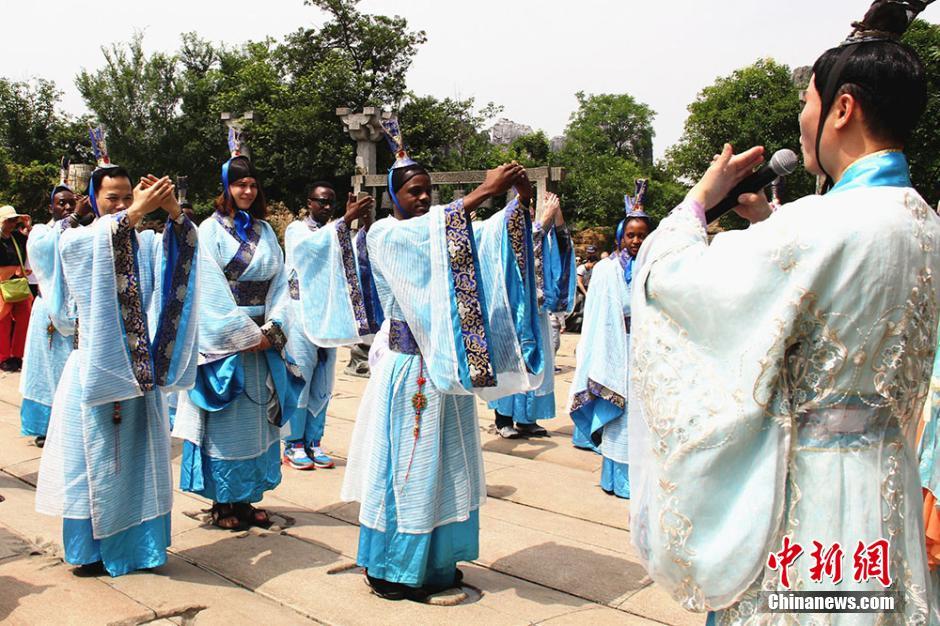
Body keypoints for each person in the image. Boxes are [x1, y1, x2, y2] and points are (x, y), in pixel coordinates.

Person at [628, 3, 938, 622]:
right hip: (889, 482)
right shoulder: (926, 225)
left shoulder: (819, 224)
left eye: (808, 103)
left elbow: (672, 284)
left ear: (843, 109)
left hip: (809, 495)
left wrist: (696, 204)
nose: (802, 121)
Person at [341, 119, 544, 600]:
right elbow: (434, 232)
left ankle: (435, 563)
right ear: (393, 196)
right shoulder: (386, 236)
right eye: (413, 191)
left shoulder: (439, 230)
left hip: (445, 368)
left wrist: (516, 202)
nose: (422, 198)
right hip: (410, 369)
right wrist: (483, 190)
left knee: (446, 464)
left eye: (428, 190)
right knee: (410, 467)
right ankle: (391, 569)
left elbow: (488, 240)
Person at [35, 128, 198, 577]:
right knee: (89, 461)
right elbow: (92, 247)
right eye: (112, 197)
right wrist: (136, 213)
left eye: (128, 195)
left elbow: (183, 252)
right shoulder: (76, 240)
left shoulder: (145, 242)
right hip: (93, 367)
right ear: (93, 200)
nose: (123, 203)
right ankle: (89, 552)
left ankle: (140, 549)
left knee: (140, 462)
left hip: (139, 371)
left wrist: (174, 215)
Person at [174, 133, 291, 530]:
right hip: (228, 342)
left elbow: (281, 283)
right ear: (225, 187)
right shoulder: (208, 230)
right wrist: (244, 334)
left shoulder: (267, 230)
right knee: (228, 423)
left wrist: (274, 328)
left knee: (257, 422)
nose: (246, 189)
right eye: (239, 183)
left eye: (252, 184)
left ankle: (245, 497)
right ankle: (223, 502)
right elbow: (208, 289)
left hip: (264, 338)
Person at [281, 181, 377, 470]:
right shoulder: (296, 230)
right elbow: (310, 249)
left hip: (328, 316)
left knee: (323, 381)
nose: (325, 207)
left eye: (330, 203)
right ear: (309, 202)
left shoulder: (338, 232)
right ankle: (293, 443)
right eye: (320, 201)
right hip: (300, 317)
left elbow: (360, 255)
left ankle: (314, 440)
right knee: (300, 378)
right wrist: (344, 220)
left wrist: (364, 222)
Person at [569, 181, 653, 487]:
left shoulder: (658, 266)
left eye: (642, 235)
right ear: (621, 236)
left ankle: (641, 481)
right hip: (616, 349)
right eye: (630, 235)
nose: (635, 240)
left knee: (644, 415)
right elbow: (597, 318)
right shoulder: (606, 270)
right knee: (620, 416)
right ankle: (616, 480)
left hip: (647, 351)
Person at [489, 191, 575, 439]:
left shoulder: (541, 231)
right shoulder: (504, 234)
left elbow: (563, 247)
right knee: (511, 364)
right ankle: (503, 418)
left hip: (537, 312)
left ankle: (527, 419)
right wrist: (544, 223)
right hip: (512, 311)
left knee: (538, 366)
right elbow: (522, 250)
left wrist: (557, 218)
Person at [19, 174, 79, 447]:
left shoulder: (81, 232)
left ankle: (69, 423)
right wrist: (74, 219)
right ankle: (44, 425)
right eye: (61, 204)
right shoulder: (42, 231)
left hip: (75, 313)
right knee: (46, 369)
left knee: (70, 368)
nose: (66, 208)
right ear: (51, 208)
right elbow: (43, 249)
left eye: (71, 203)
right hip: (48, 313)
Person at [0, 205, 33, 372]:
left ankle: (17, 356)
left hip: (18, 284)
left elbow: (35, 243)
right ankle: (3, 357)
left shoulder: (17, 238)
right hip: (2, 285)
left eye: (14, 220)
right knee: (2, 322)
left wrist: (28, 227)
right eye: (9, 220)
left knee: (25, 319)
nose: (12, 223)